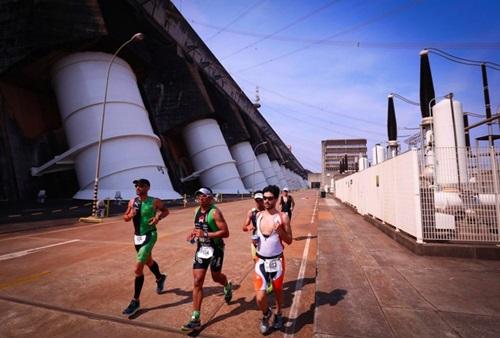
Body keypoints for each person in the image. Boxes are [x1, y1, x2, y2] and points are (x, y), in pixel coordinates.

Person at [181, 187, 233, 332]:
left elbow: (226, 232)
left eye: (203, 196)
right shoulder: (196, 211)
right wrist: (193, 234)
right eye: (198, 195)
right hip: (201, 249)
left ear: (210, 198)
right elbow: (198, 227)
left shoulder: (215, 212)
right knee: (197, 281)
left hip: (216, 249)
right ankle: (195, 318)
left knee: (216, 277)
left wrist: (205, 234)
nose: (200, 198)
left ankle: (227, 286)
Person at [122, 178, 170, 316]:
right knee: (148, 261)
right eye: (136, 185)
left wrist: (157, 218)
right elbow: (125, 217)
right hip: (137, 237)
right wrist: (130, 215)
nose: (138, 187)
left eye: (141, 185)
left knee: (138, 268)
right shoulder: (132, 202)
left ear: (148, 188)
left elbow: (166, 211)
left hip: (150, 234)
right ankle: (160, 277)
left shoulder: (155, 201)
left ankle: (135, 301)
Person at [253, 185, 292, 334]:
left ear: (276, 199)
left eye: (270, 198)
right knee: (260, 296)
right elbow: (258, 236)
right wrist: (255, 241)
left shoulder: (283, 217)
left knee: (277, 290)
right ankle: (266, 314)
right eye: (265, 198)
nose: (267, 201)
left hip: (277, 260)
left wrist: (280, 231)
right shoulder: (258, 216)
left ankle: (279, 313)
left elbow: (289, 240)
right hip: (261, 260)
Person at [242, 191, 265, 261]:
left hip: (266, 240)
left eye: (260, 200)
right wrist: (249, 227)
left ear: (263, 199)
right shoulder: (252, 212)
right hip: (256, 240)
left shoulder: (268, 211)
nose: (258, 202)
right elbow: (244, 227)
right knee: (255, 260)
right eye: (256, 200)